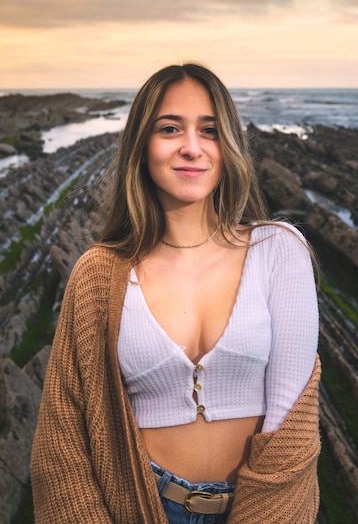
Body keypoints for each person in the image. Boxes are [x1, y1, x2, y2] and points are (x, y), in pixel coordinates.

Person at [31, 63, 321, 523]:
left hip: (260, 505)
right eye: (170, 128)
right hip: (136, 504)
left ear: (229, 146)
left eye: (210, 130)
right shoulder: (98, 275)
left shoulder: (279, 252)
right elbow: (62, 439)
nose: (192, 147)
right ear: (142, 146)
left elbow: (292, 430)